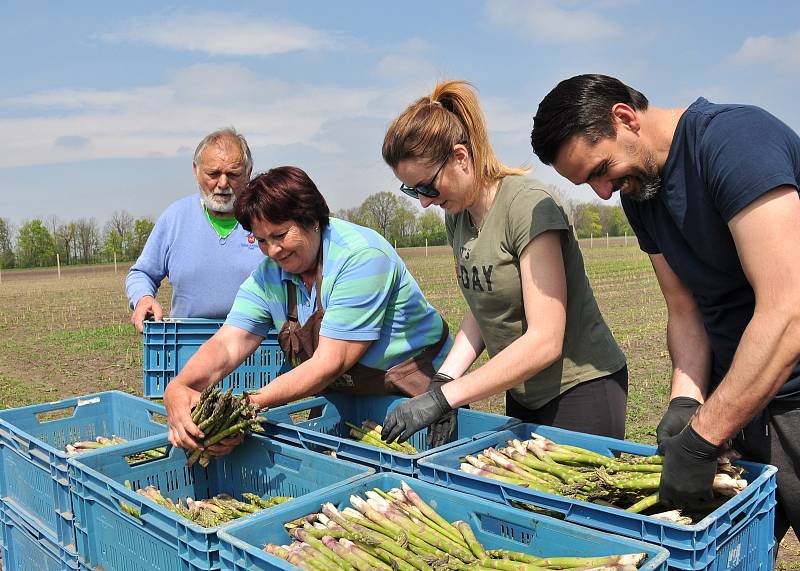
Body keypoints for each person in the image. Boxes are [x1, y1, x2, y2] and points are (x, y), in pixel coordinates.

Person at [531, 73, 800, 542]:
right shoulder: (642, 193)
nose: (602, 192)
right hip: (740, 399)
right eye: (587, 183)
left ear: (624, 117)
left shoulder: (734, 142)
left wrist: (702, 438)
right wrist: (685, 399)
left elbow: (789, 309)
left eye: (599, 170)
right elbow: (685, 309)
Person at [379, 80, 628, 449]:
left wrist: (446, 398)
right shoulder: (459, 218)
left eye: (427, 187)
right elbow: (485, 305)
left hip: (580, 389)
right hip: (524, 390)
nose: (424, 203)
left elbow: (545, 341)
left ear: (461, 157)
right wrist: (444, 379)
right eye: (412, 191)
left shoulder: (525, 206)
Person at [163, 165, 453, 455]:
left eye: (280, 235)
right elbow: (229, 343)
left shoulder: (361, 258)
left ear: (312, 219)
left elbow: (330, 362)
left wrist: (245, 406)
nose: (273, 250)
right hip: (347, 397)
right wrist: (181, 385)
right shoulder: (269, 276)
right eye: (261, 240)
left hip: (417, 390)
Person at [125, 127, 263, 333]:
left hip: (258, 345)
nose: (223, 183)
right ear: (196, 171)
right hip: (188, 343)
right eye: (213, 174)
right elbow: (141, 273)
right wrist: (143, 298)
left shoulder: (266, 219)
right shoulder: (175, 218)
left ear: (248, 174)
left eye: (233, 174)